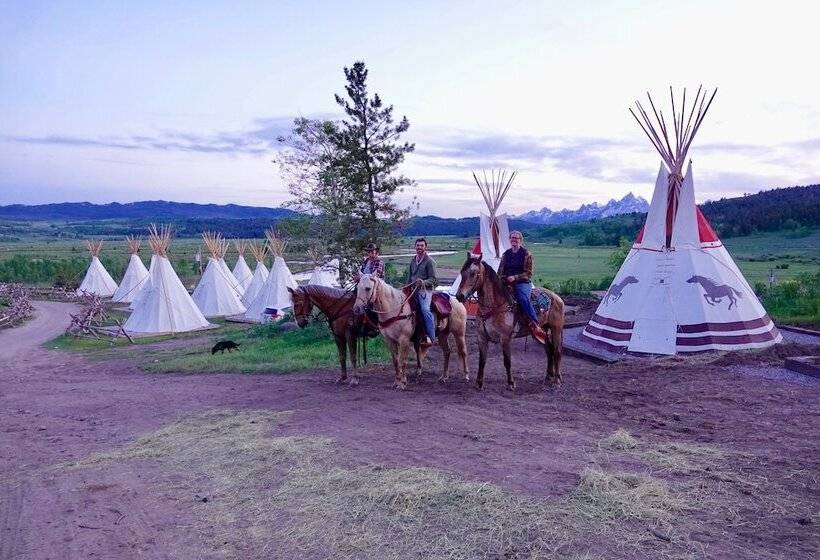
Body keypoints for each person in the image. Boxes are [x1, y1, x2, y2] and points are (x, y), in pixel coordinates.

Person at [498, 230, 547, 345]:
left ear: (521, 240)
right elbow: (500, 271)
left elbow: (529, 273)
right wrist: (500, 279)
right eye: (512, 238)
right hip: (507, 281)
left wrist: (515, 277)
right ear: (509, 239)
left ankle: (535, 324)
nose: (514, 240)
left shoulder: (526, 254)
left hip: (522, 282)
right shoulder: (506, 254)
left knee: (523, 298)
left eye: (516, 238)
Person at [408, 237, 438, 347]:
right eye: (417, 245)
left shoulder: (429, 261)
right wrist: (405, 288)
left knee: (425, 310)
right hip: (412, 290)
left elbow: (435, 280)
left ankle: (431, 336)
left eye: (421, 245)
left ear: (426, 247)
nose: (419, 247)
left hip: (425, 291)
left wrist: (423, 282)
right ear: (415, 247)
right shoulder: (412, 260)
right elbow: (409, 277)